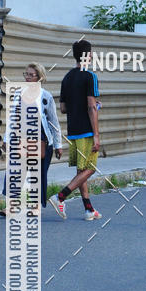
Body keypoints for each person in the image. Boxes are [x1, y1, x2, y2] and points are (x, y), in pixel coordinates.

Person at [0, 63, 63, 216]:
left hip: (41, 141)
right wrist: (7, 139)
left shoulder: (45, 96)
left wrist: (58, 144)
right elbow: (13, 118)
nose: (27, 78)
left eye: (31, 75)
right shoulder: (18, 94)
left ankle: (35, 207)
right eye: (26, 74)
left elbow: (54, 122)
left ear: (39, 77)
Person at [49, 39, 101, 220]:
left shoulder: (67, 78)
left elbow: (63, 108)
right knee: (91, 168)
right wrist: (96, 135)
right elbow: (91, 107)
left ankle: (89, 210)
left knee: (81, 171)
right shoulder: (90, 76)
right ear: (88, 55)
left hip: (73, 131)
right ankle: (60, 196)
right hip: (87, 131)